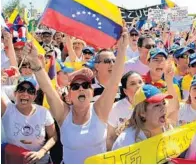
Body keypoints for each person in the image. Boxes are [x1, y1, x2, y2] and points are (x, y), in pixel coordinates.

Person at [22, 29, 128, 163]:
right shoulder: (63, 114)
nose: (81, 89)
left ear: (92, 92)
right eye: (76, 87)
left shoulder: (100, 110)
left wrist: (123, 49)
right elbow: (48, 89)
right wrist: (36, 64)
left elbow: (113, 83)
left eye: (85, 86)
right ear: (70, 95)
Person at [1, 77, 57, 164]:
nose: (25, 93)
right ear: (15, 93)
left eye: (30, 91)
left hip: (40, 161)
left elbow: (53, 136)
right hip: (14, 160)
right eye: (21, 90)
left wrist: (41, 152)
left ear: (34, 97)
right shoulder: (7, 109)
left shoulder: (44, 112)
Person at [112, 84, 178, 150]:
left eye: (163, 103)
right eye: (157, 105)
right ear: (142, 112)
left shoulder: (167, 128)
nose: (163, 108)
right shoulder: (126, 140)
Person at [107, 71, 144, 151]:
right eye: (133, 84)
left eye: (140, 82)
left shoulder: (152, 104)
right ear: (125, 91)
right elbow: (111, 137)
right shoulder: (116, 108)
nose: (138, 86)